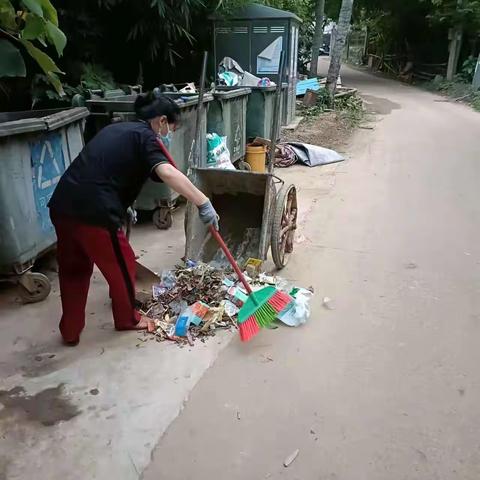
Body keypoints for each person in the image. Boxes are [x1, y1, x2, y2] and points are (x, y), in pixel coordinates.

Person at [48, 92, 219, 346]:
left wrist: (124, 203)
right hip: (96, 214)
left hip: (63, 205)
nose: (168, 134)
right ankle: (128, 319)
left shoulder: (117, 129)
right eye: (170, 127)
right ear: (161, 121)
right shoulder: (147, 138)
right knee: (123, 265)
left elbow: (107, 166)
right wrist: (203, 202)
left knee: (74, 269)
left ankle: (70, 331)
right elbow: (167, 172)